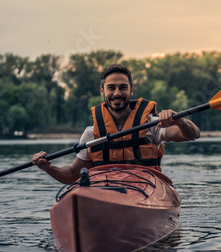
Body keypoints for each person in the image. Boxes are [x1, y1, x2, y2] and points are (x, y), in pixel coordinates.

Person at [32, 64, 200, 184]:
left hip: (146, 190)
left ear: (131, 90)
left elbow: (192, 134)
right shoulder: (91, 134)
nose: (117, 93)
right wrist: (48, 167)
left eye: (123, 88)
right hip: (105, 191)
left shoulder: (152, 125)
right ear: (102, 91)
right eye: (111, 88)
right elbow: (72, 174)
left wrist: (180, 121)